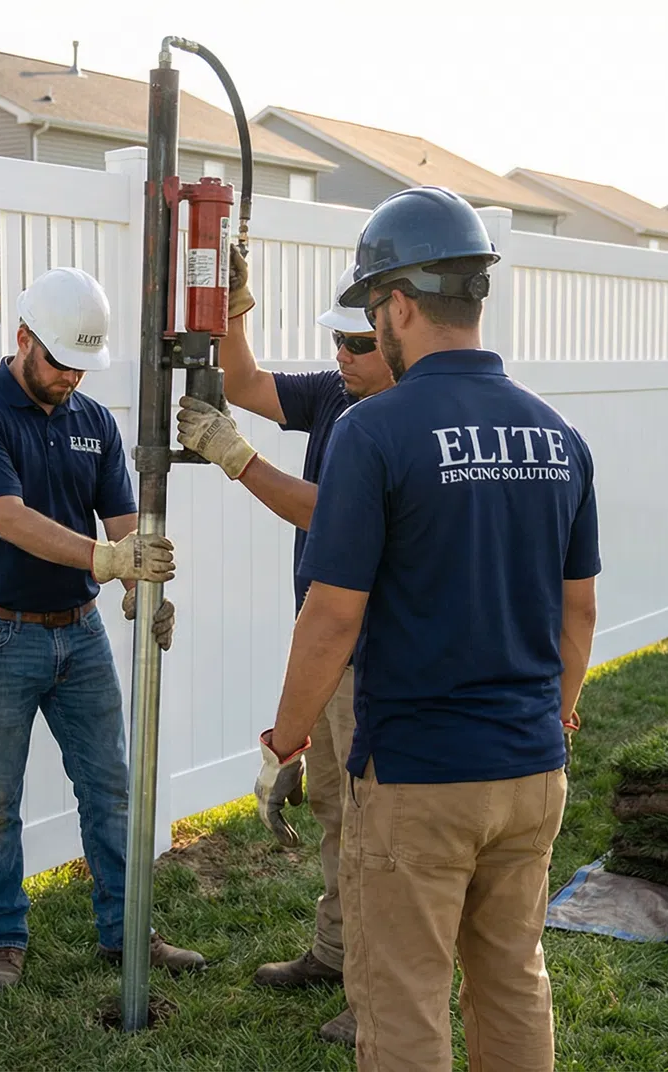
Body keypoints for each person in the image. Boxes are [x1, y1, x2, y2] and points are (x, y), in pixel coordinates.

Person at [253, 187, 600, 1071]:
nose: (371, 330)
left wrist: (286, 742)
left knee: (403, 1002)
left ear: (400, 304)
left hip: (419, 779)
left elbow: (332, 616)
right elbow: (579, 608)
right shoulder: (558, 437)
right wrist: (555, 713)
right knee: (513, 983)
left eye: (373, 312)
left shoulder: (376, 432)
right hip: (532, 773)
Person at [0, 266, 208, 990]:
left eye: (82, 367)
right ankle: (3, 940)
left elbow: (124, 522)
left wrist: (139, 582)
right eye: (58, 363)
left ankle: (126, 933)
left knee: (110, 790)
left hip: (79, 634)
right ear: (22, 338)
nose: (70, 379)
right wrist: (106, 556)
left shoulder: (92, 422)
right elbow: (9, 518)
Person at [174, 252, 394, 1046]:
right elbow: (245, 384)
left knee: (374, 829)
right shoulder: (341, 394)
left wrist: (237, 459)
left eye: (358, 345)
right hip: (333, 652)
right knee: (339, 808)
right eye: (337, 341)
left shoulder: (391, 425)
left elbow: (326, 516)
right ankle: (336, 953)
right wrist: (235, 306)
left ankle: (376, 992)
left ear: (396, 337)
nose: (343, 356)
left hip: (373, 656)